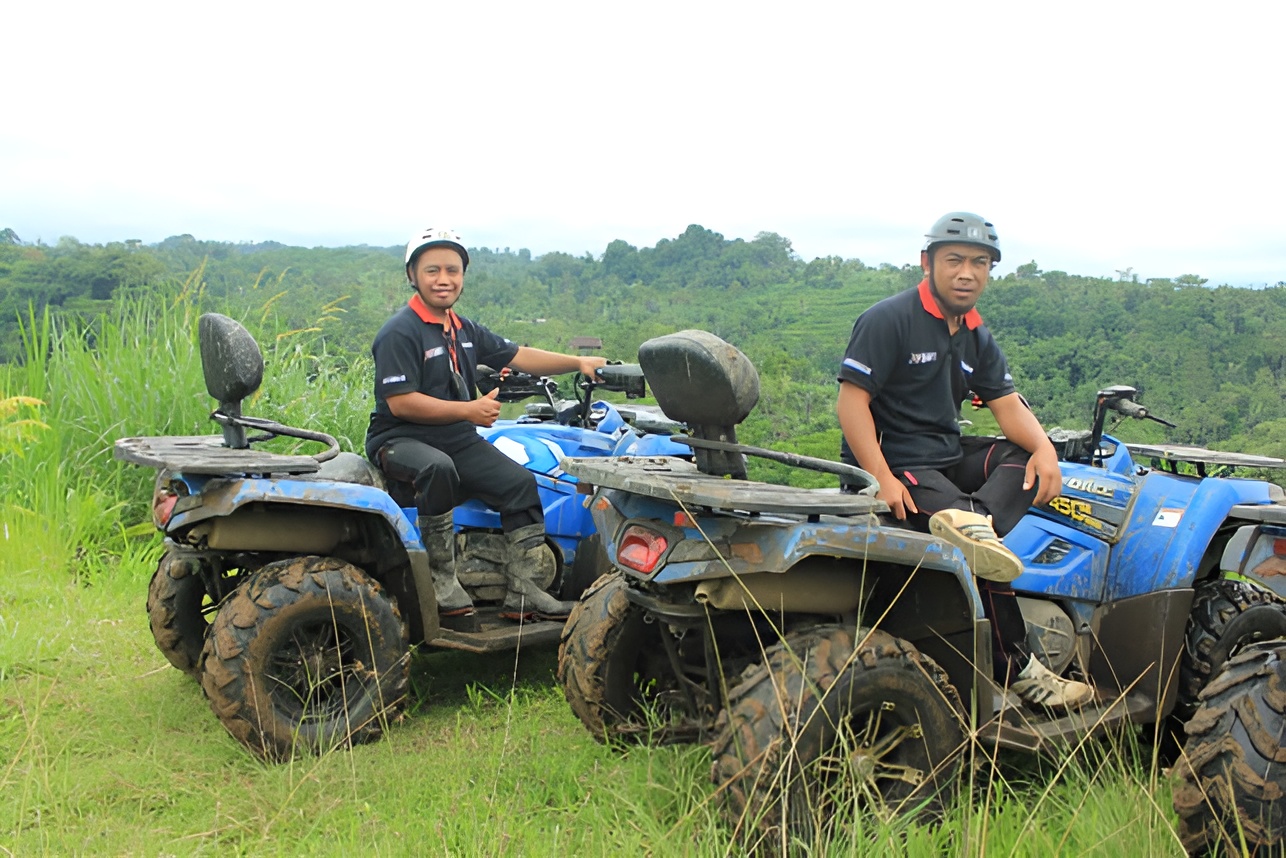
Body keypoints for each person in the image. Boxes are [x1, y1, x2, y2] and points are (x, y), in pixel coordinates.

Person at [835, 212, 1095, 711]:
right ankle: (1018, 668)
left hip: (946, 458)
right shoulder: (889, 319)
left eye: (980, 263)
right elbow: (852, 404)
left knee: (1020, 458)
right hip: (895, 461)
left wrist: (1045, 449)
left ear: (990, 271)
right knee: (985, 554)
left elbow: (1007, 404)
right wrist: (882, 477)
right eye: (954, 260)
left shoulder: (975, 335)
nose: (967, 272)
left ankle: (975, 525)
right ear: (927, 262)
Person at [366, 227, 608, 629]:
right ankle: (441, 582)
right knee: (437, 468)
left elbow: (519, 354)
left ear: (463, 275)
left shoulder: (462, 329)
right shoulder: (399, 331)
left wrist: (577, 362)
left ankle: (525, 593)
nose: (443, 279)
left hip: (456, 437)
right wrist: (468, 410)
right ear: (412, 275)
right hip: (399, 438)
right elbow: (401, 402)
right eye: (432, 271)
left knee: (519, 485)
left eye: (452, 270)